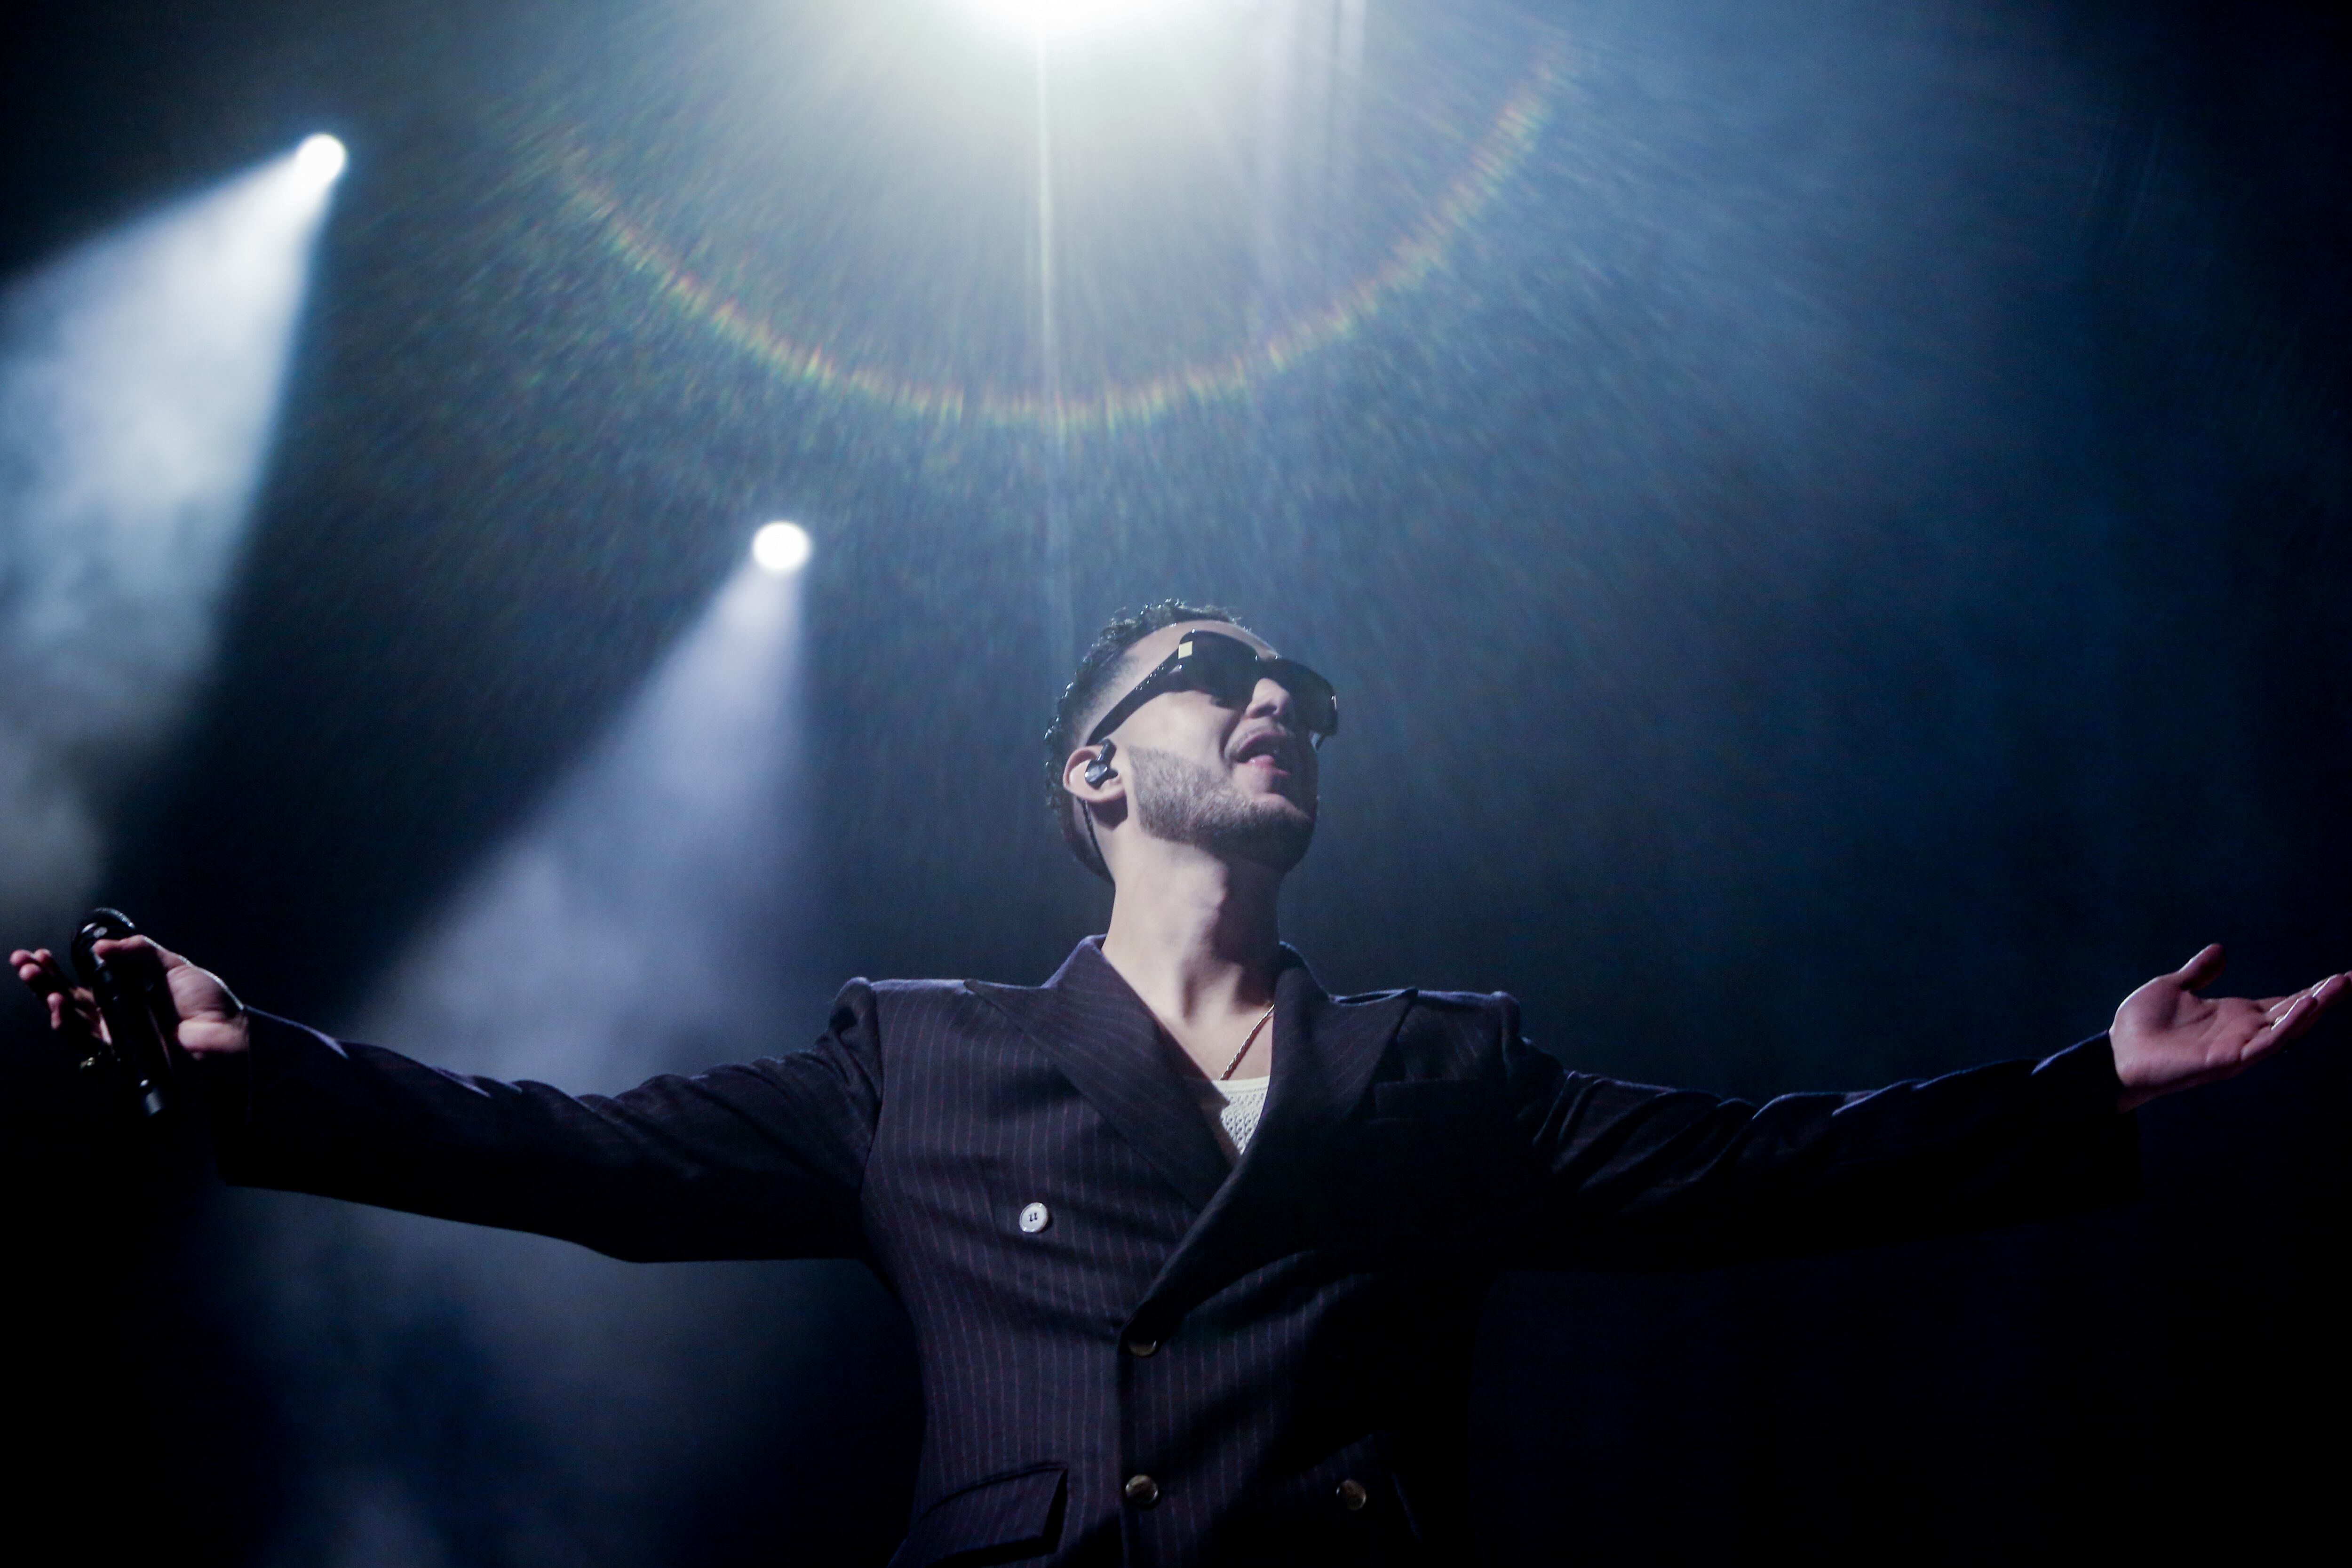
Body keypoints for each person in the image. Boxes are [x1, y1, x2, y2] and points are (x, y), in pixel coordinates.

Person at [14, 600, 2345, 1567]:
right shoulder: (914, 1061)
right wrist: (262, 1068)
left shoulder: (1438, 1072)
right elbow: (584, 1164)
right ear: (1086, 776)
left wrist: (2084, 1085)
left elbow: (1746, 1177)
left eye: (1300, 697)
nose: (1274, 705)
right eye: (1213, 675)